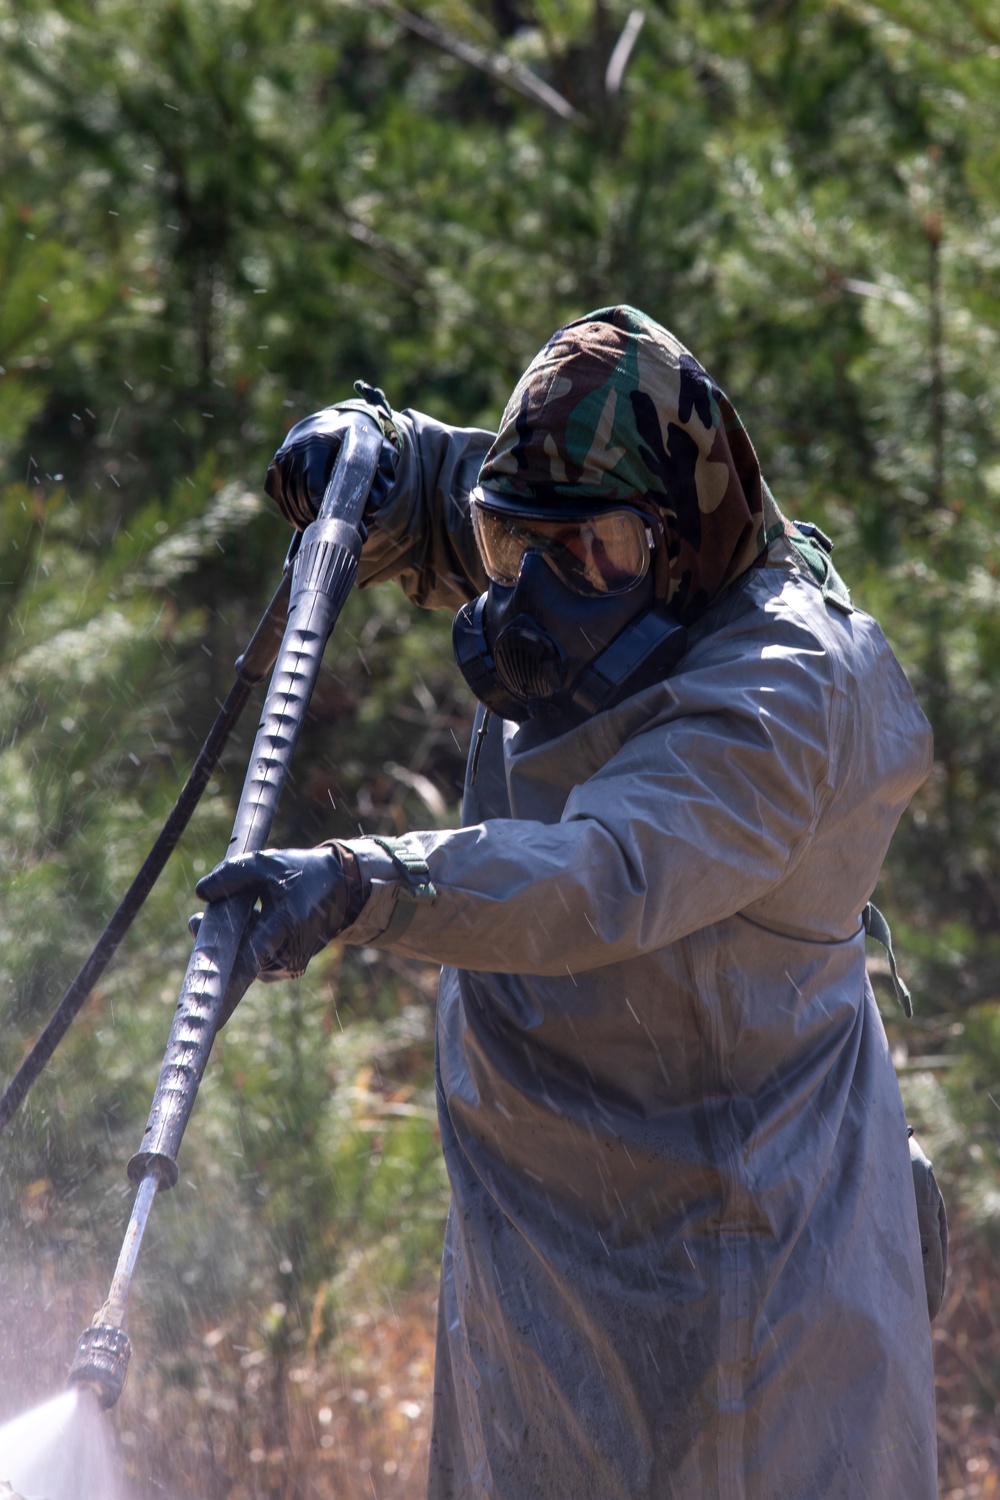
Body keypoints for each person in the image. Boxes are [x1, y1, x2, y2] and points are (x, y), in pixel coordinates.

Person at [197, 306, 939, 1497]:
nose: (531, 598)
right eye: (506, 551)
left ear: (678, 541)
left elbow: (597, 876)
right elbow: (504, 505)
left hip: (737, 1286)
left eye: (582, 554)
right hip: (542, 1266)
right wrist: (377, 460)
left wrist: (357, 884)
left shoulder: (785, 691)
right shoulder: (607, 561)